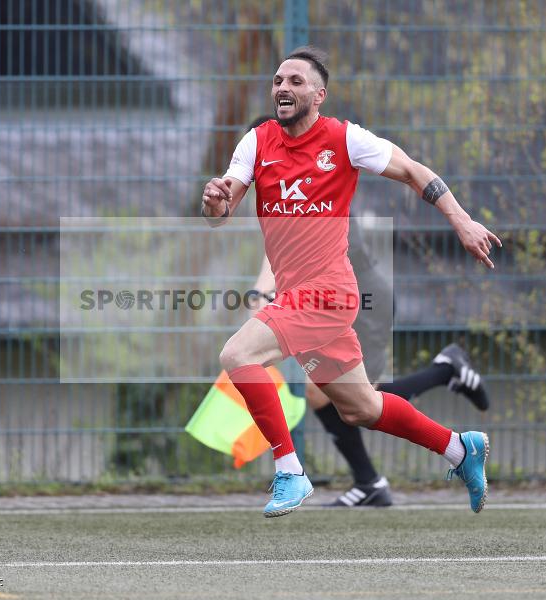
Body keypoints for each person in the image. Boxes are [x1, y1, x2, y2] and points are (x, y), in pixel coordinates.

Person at [201, 46, 502, 518]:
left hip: (327, 294)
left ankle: (290, 472)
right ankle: (460, 450)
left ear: (319, 95)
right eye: (278, 80)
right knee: (361, 408)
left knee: (238, 355)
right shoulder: (256, 142)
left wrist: (461, 221)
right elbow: (221, 211)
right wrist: (213, 202)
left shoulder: (344, 139)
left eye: (296, 81)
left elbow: (414, 171)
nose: (283, 87)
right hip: (297, 296)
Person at [250, 244, 489, 508]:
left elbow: (297, 253)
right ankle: (370, 481)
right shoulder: (280, 210)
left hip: (358, 299)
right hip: (324, 299)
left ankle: (445, 374)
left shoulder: (319, 206)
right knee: (327, 394)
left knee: (360, 398)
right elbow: (274, 253)